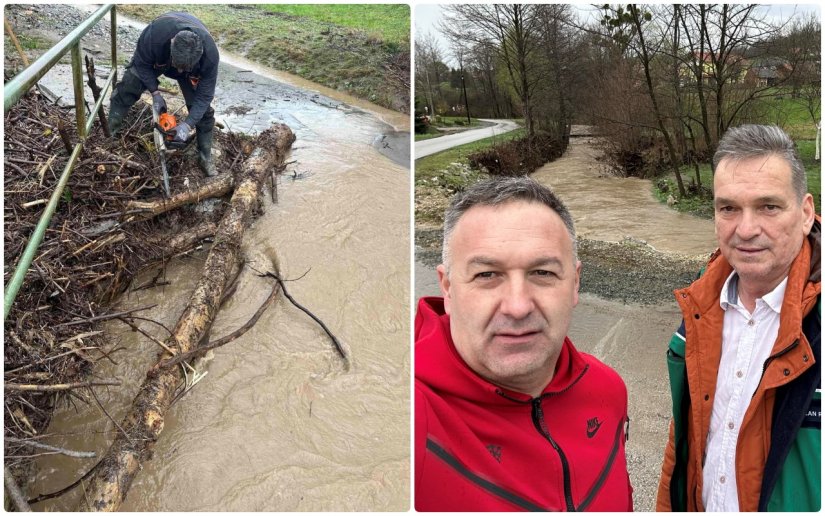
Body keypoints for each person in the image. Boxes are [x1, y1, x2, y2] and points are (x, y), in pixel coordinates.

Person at [415, 177, 633, 511]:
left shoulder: (608, 389)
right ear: (447, 288)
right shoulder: (413, 417)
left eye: (543, 273)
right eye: (487, 275)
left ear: (575, 283)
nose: (517, 306)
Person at [657, 124, 820, 511]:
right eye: (728, 208)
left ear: (806, 212)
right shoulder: (701, 304)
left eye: (768, 206)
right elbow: (686, 435)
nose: (746, 230)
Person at [108, 12, 219, 176]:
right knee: (128, 87)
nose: (179, 71)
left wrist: (187, 125)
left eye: (184, 68)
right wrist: (155, 92)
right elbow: (142, 65)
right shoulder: (155, 35)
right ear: (172, 43)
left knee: (204, 114)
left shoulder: (210, 56)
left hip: (191, 70)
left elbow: (204, 97)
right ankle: (109, 133)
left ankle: (205, 157)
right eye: (178, 66)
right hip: (161, 58)